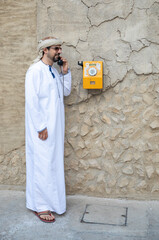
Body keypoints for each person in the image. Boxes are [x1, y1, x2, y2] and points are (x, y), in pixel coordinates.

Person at [25, 37, 72, 223]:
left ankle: (53, 202)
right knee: (42, 165)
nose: (59, 51)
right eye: (56, 48)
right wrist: (40, 126)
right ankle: (40, 206)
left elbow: (65, 92)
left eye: (60, 48)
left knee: (52, 164)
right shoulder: (34, 71)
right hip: (42, 128)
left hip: (55, 127)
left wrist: (65, 72)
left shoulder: (52, 71)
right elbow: (31, 100)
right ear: (45, 50)